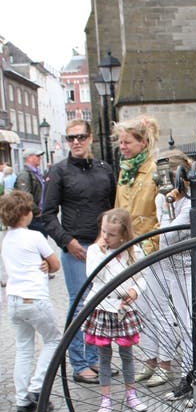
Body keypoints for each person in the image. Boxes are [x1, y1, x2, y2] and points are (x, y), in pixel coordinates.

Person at [42, 119, 116, 384]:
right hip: (76, 248)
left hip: (102, 246)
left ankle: (96, 358)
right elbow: (47, 214)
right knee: (78, 305)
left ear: (90, 138)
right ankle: (79, 363)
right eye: (71, 137)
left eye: (81, 137)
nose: (76, 142)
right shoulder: (59, 171)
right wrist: (66, 241)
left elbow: (113, 207)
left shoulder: (105, 169)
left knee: (101, 304)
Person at [135, 150, 194, 390]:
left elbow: (167, 235)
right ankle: (156, 360)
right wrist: (167, 203)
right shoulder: (162, 199)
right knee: (148, 306)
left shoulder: (191, 202)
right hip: (165, 262)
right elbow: (164, 236)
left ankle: (191, 377)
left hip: (187, 266)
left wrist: (170, 206)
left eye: (167, 178)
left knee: (190, 322)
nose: (162, 185)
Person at [0, 190, 61, 412]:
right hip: (34, 298)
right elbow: (55, 265)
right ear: (26, 214)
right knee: (54, 339)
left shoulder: (7, 240)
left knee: (23, 348)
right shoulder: (34, 237)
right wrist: (46, 265)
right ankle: (37, 388)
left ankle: (22, 399)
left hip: (14, 300)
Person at [83, 208, 147, 412]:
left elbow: (142, 277)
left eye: (111, 234)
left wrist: (135, 291)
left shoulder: (133, 251)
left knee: (127, 355)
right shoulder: (94, 251)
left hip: (124, 310)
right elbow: (93, 276)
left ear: (123, 234)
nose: (105, 237)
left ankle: (131, 393)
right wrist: (102, 253)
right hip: (103, 308)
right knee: (104, 356)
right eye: (103, 232)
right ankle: (105, 398)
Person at [113, 116, 160, 254]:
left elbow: (163, 216)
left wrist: (150, 246)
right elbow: (118, 209)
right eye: (120, 142)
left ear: (144, 142)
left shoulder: (155, 170)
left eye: (127, 142)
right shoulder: (125, 171)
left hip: (150, 249)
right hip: (127, 247)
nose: (122, 147)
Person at [15, 147, 47, 235]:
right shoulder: (25, 174)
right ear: (28, 158)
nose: (39, 158)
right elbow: (25, 196)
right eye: (37, 156)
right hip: (33, 216)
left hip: (40, 214)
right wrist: (37, 211)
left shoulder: (36, 173)